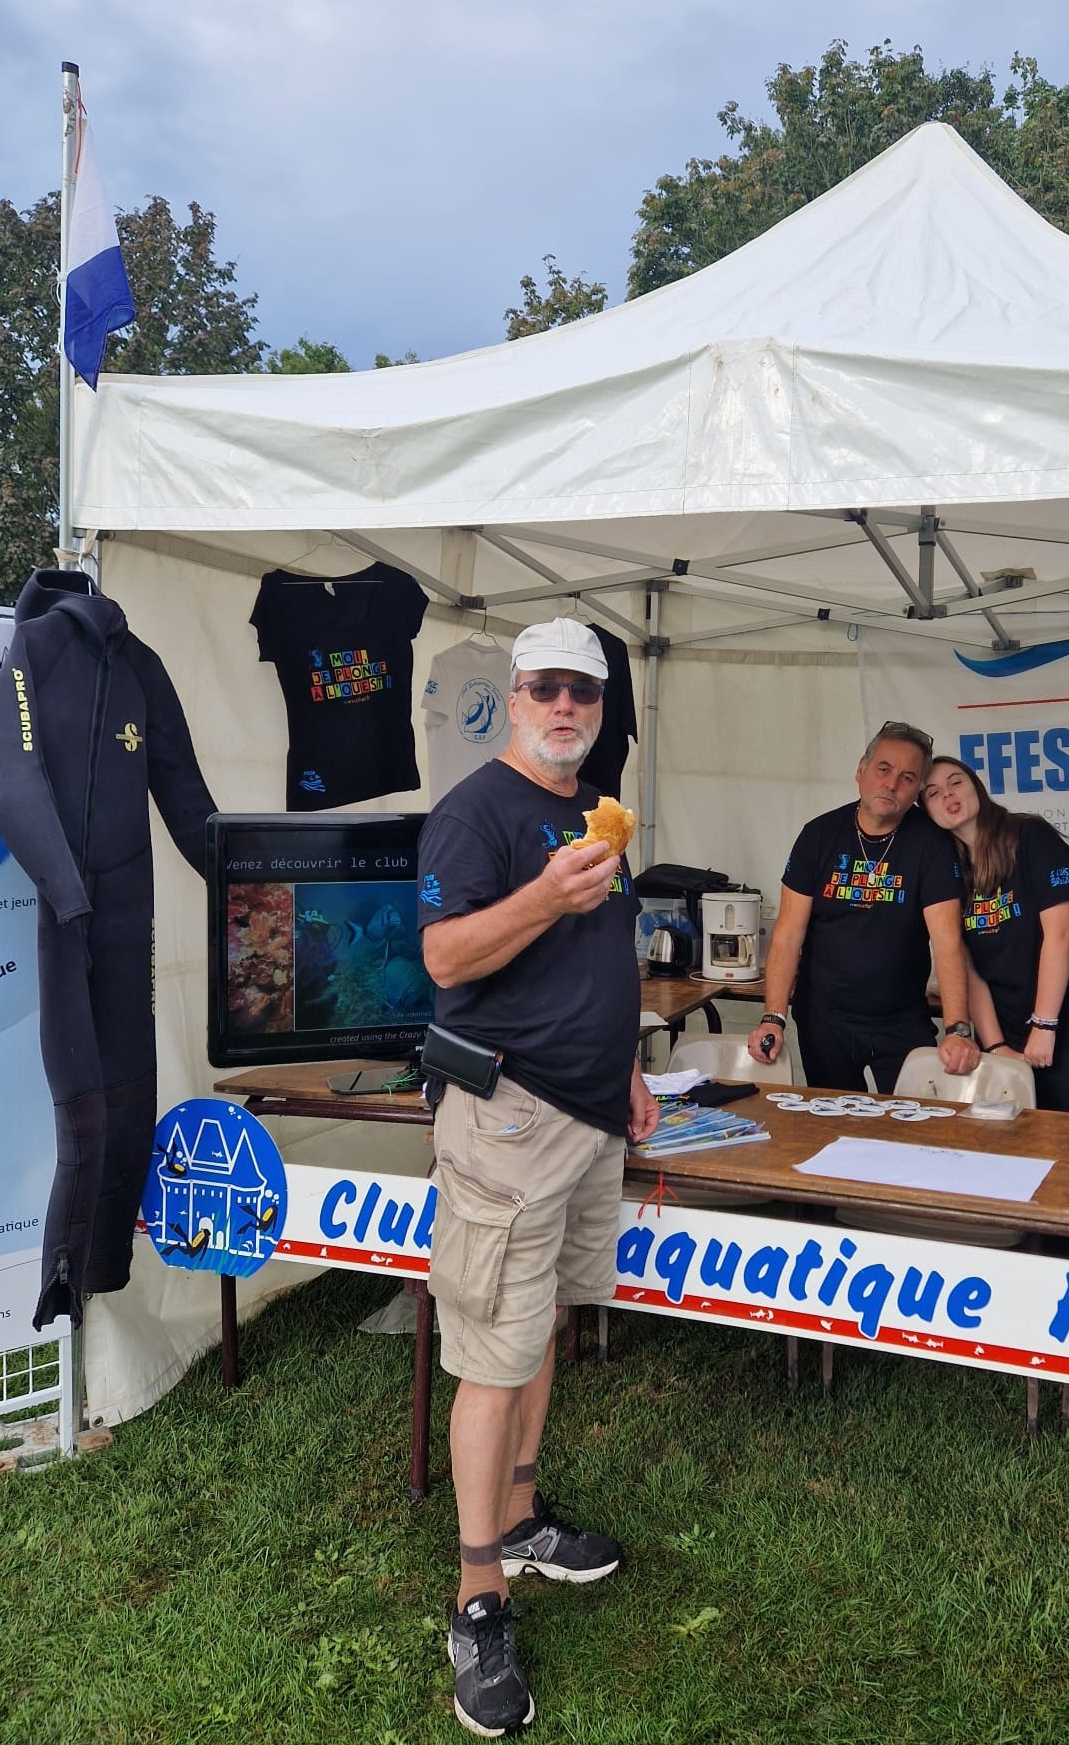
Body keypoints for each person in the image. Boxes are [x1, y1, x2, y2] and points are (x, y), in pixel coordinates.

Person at [417, 617, 659, 1738]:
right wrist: (545, 897)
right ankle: (478, 1598)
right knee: (490, 1352)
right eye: (546, 687)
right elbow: (446, 956)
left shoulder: (595, 809)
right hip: (508, 1119)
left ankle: (519, 1517)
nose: (566, 706)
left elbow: (602, 954)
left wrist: (629, 1067)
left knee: (542, 1323)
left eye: (584, 691)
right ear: (514, 697)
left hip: (591, 1110)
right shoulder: (476, 812)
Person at [748, 723, 982, 1092]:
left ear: (917, 792)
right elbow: (788, 934)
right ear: (861, 770)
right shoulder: (818, 835)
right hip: (824, 1021)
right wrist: (773, 1018)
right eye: (883, 769)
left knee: (913, 1119)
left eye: (907, 778)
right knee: (832, 1120)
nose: (891, 784)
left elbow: (947, 941)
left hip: (901, 1020)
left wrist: (958, 1029)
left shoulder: (932, 843)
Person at [922, 756, 1069, 1114]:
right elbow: (968, 967)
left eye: (956, 782)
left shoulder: (1030, 837)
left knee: (1068, 1133)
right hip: (1007, 1027)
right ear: (927, 811)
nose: (947, 794)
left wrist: (1044, 1025)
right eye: (933, 793)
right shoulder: (946, 869)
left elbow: (1060, 934)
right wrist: (996, 1046)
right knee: (1011, 1135)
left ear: (976, 786)